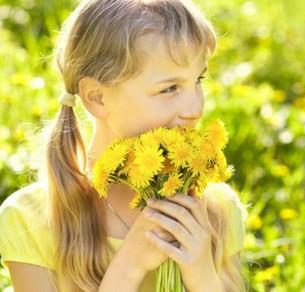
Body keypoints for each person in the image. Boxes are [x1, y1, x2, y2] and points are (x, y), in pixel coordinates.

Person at [0, 0, 248, 291]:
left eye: (198, 80)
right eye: (169, 88)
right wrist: (130, 265)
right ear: (97, 98)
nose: (195, 107)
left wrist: (203, 277)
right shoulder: (31, 220)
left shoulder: (217, 212)